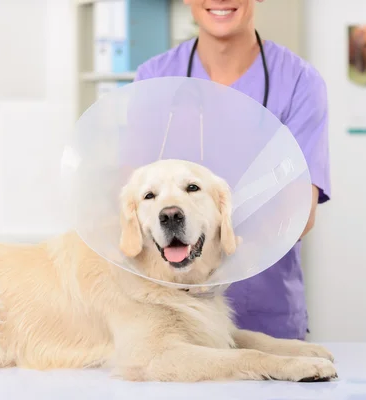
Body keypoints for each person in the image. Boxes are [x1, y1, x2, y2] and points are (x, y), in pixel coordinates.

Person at [133, 0, 331, 340]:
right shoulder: (154, 79)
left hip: (265, 315)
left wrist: (208, 244)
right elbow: (131, 200)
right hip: (171, 317)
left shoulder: (299, 82)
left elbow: (298, 215)